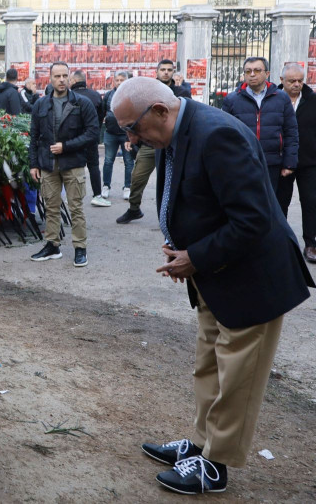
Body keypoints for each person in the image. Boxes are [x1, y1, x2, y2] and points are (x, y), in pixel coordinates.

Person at [111, 77, 312, 495]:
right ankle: (201, 443)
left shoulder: (217, 134)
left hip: (251, 280)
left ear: (160, 111)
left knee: (238, 377)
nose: (131, 139)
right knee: (209, 366)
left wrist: (195, 257)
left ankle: (215, 465)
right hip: (214, 275)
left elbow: (253, 219)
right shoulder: (173, 131)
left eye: (132, 128)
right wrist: (185, 251)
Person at [28, 62, 99, 267]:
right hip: (48, 164)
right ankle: (52, 245)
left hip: (73, 162)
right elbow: (34, 137)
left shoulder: (82, 103)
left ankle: (80, 248)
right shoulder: (41, 104)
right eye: (57, 76)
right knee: (51, 206)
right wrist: (34, 164)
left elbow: (93, 133)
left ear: (69, 78)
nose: (61, 80)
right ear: (50, 78)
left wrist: (66, 146)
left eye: (64, 76)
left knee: (75, 207)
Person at [117, 59, 194, 224]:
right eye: (163, 69)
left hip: (173, 143)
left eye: (169, 70)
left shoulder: (181, 92)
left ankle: (171, 215)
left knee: (172, 180)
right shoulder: (147, 91)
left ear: (173, 72)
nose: (166, 72)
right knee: (137, 177)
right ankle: (134, 209)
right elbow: (133, 115)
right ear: (157, 72)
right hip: (149, 143)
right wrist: (129, 138)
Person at [220, 57, 298, 195]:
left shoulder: (281, 98)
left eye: (257, 70)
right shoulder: (232, 100)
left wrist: (289, 163)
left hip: (273, 164)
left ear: (267, 73)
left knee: (272, 203)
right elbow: (224, 134)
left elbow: (291, 132)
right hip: (242, 162)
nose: (252, 74)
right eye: (248, 71)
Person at [276, 63, 316, 262]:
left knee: (311, 201)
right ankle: (281, 242)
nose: (297, 84)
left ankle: (311, 244)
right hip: (282, 162)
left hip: (309, 161)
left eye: (300, 80)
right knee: (280, 201)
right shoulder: (273, 99)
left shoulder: (312, 100)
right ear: (282, 80)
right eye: (292, 81)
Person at [70, 70, 110, 207]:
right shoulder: (95, 95)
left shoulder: (69, 96)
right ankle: (97, 195)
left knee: (73, 167)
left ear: (74, 81)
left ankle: (72, 197)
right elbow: (101, 115)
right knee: (93, 166)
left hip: (73, 138)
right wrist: (94, 131)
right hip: (91, 137)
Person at [101, 71, 134, 201]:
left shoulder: (131, 96)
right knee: (108, 161)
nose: (119, 82)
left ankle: (127, 187)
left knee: (129, 162)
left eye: (122, 80)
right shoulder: (108, 95)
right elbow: (102, 113)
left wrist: (130, 136)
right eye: (117, 80)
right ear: (113, 81)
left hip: (127, 135)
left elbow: (135, 117)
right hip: (110, 134)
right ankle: (106, 186)